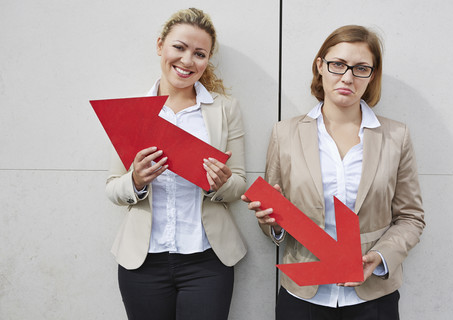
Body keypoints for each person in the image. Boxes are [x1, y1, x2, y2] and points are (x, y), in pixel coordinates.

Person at [242, 25, 425, 319]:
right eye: (338, 64)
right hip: (302, 296)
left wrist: (378, 258)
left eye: (361, 68)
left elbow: (411, 218)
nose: (348, 77)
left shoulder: (396, 136)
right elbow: (272, 222)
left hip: (373, 297)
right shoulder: (284, 134)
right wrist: (273, 224)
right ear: (320, 66)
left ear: (372, 75)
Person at [105, 8, 246, 320]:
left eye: (199, 53)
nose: (187, 61)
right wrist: (137, 181)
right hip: (143, 261)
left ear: (207, 60)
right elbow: (113, 188)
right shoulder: (134, 114)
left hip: (207, 261)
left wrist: (220, 183)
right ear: (160, 46)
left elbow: (239, 183)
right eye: (179, 48)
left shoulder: (225, 110)